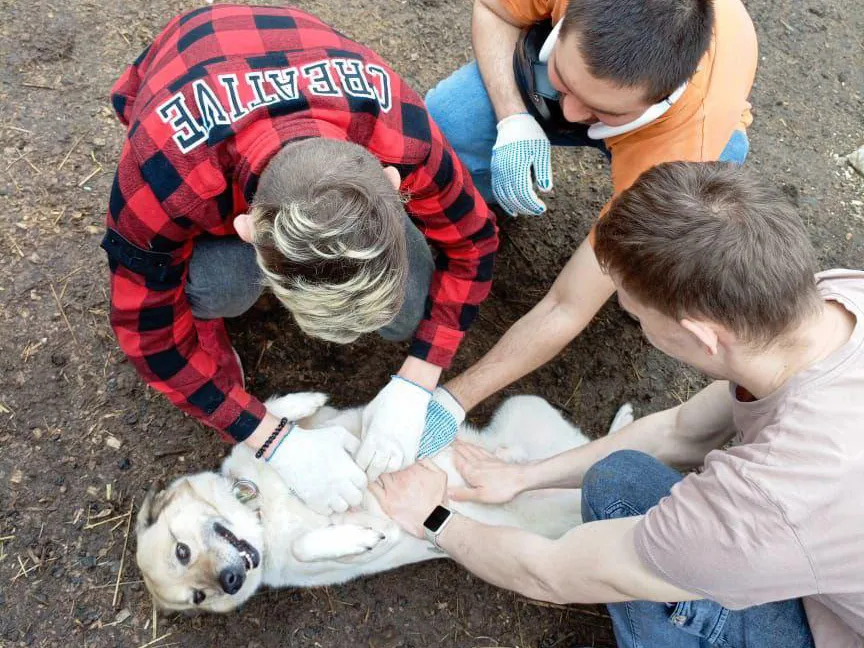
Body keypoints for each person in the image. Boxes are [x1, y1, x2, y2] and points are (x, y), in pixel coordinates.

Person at [372, 162, 864, 648]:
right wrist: (524, 477)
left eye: (634, 312)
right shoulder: (832, 298)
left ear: (700, 335)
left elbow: (552, 573)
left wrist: (432, 518)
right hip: (822, 548)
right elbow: (683, 432)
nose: (634, 323)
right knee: (619, 479)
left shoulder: (769, 499)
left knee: (634, 541)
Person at [102, 4, 497, 515]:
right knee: (222, 284)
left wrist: (419, 377)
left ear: (393, 183)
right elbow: (149, 337)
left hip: (289, 84)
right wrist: (272, 441)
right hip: (194, 58)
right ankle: (211, 315)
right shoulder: (165, 177)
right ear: (245, 228)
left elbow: (474, 240)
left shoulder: (399, 129)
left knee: (413, 312)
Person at [419, 0, 758, 433]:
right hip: (602, 87)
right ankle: (487, 202)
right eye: (563, 79)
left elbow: (566, 305)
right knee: (448, 124)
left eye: (603, 109)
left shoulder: (681, 147)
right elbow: (493, 8)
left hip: (667, 140)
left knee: (682, 211)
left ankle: (597, 105)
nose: (569, 115)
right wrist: (513, 117)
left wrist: (454, 398)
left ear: (660, 100)